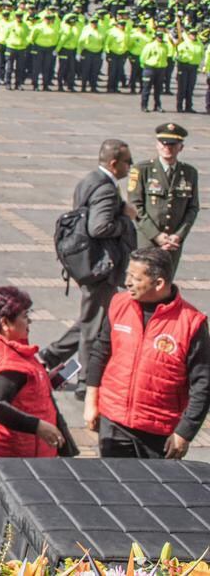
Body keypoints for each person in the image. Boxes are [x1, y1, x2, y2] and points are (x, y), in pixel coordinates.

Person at [84, 247, 209, 459]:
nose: (127, 283)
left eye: (135, 278)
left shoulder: (191, 322)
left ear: (158, 283)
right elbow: (100, 352)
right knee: (113, 480)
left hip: (160, 430)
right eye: (128, 275)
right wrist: (91, 401)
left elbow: (203, 382)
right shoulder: (119, 304)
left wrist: (185, 432)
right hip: (114, 421)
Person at [41, 139, 137, 374]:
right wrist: (126, 220)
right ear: (114, 163)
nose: (130, 166)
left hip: (89, 261)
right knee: (93, 328)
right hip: (99, 265)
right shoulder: (106, 188)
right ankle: (85, 380)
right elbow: (99, 227)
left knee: (95, 317)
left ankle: (51, 356)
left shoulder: (90, 180)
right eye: (128, 162)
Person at [0, 286, 63, 476]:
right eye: (25, 316)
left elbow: (18, 388)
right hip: (15, 460)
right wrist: (37, 426)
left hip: (7, 454)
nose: (29, 321)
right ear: (5, 322)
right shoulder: (4, 361)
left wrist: (44, 381)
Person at [130, 122, 199, 275]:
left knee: (166, 281)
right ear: (157, 145)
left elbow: (192, 208)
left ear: (181, 147)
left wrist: (178, 235)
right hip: (148, 240)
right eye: (164, 143)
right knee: (144, 280)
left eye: (173, 144)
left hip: (173, 243)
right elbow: (135, 206)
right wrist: (156, 236)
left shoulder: (189, 173)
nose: (167, 148)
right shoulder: (143, 170)